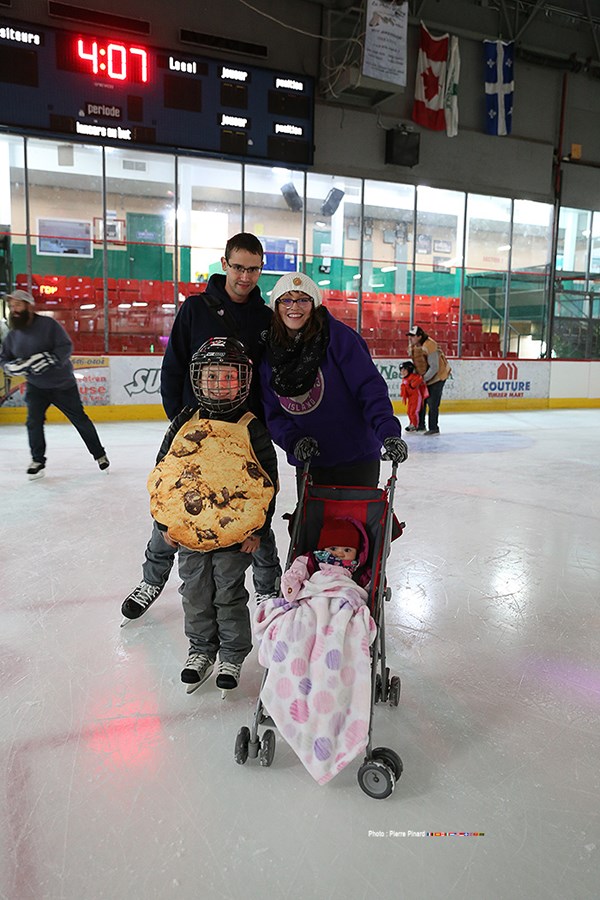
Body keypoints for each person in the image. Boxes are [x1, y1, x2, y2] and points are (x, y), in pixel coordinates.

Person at [121, 233, 282, 620]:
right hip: (196, 427)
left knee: (254, 504)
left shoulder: (264, 318)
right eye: (238, 267)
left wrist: (260, 424)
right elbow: (174, 363)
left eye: (253, 269)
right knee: (175, 502)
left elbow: (268, 376)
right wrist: (181, 422)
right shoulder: (195, 308)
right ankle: (151, 579)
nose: (245, 276)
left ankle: (267, 587)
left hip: (242, 430)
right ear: (224, 264)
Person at [148, 337, 279, 694]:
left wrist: (258, 530)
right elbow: (165, 473)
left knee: (227, 593)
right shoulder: (185, 421)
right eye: (211, 376)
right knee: (194, 592)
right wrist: (165, 523)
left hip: (234, 535)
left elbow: (267, 484)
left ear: (242, 381)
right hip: (190, 533)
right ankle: (201, 650)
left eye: (228, 377)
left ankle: (232, 655)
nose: (219, 384)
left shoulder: (251, 426)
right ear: (198, 379)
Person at [258, 272, 409, 494]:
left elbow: (369, 390)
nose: (294, 307)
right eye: (286, 300)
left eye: (303, 299)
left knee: (356, 518)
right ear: (276, 306)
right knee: (312, 518)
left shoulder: (339, 338)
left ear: (314, 304)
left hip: (356, 459)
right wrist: (294, 441)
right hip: (310, 462)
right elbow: (273, 415)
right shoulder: (269, 355)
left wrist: (389, 432)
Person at [253, 515, 376, 785]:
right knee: (297, 631)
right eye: (333, 548)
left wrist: (368, 593)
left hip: (342, 601)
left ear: (356, 553)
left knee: (342, 638)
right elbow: (295, 576)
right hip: (312, 599)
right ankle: (298, 680)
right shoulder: (311, 561)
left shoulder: (358, 569)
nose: (339, 554)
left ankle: (325, 689)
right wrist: (292, 585)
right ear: (323, 548)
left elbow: (369, 587)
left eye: (347, 550)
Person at [0, 289, 109, 479]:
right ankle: (37, 461)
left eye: (18, 304)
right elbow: (4, 358)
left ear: (28, 306)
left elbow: (66, 347)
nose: (14, 309)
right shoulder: (12, 335)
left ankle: (99, 454)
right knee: (33, 422)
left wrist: (52, 359)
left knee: (80, 419)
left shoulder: (48, 325)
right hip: (36, 386)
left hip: (63, 385)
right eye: (11, 305)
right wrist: (9, 367)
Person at [406, 325, 452, 435]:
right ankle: (420, 425)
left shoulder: (430, 345)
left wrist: (423, 379)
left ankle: (434, 428)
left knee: (432, 402)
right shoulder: (413, 345)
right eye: (409, 336)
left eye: (413, 336)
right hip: (424, 377)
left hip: (438, 377)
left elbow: (434, 367)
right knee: (421, 401)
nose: (410, 338)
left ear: (419, 336)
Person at [399, 360, 429, 432]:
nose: (402, 372)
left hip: (416, 397)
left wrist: (413, 385)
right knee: (409, 411)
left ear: (409, 370)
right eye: (401, 370)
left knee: (414, 411)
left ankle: (415, 425)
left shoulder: (413, 377)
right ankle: (411, 423)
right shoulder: (404, 379)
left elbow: (420, 378)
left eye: (404, 370)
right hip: (410, 398)